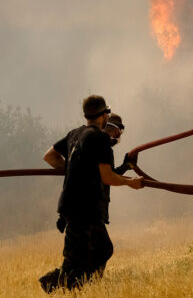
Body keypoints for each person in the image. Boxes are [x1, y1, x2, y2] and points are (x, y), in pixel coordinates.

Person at [38, 96, 143, 293]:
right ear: (105, 116)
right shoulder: (100, 139)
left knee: (103, 249)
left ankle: (88, 286)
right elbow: (107, 177)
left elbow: (49, 156)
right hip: (83, 207)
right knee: (75, 262)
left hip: (79, 206)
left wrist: (73, 169)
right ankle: (52, 284)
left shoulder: (74, 134)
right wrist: (132, 183)